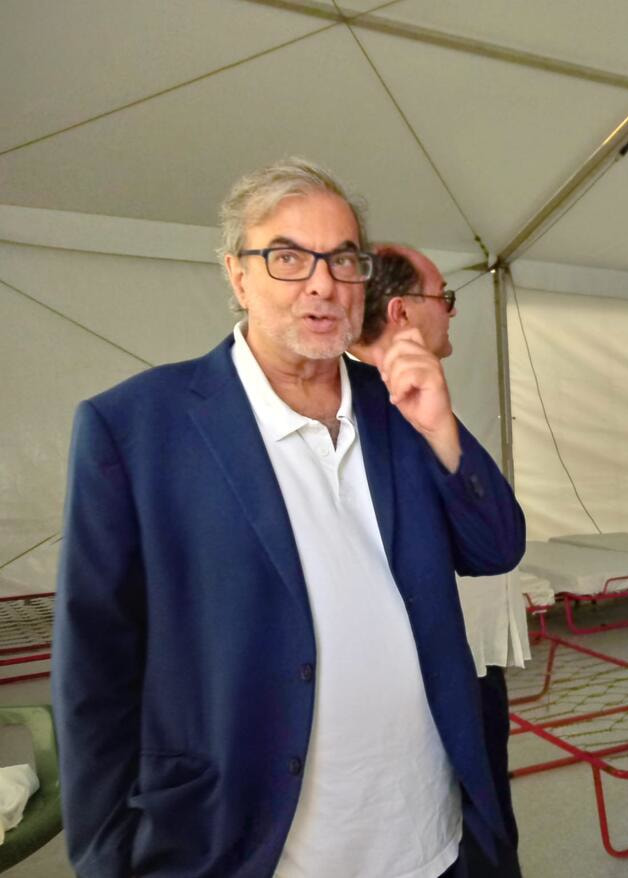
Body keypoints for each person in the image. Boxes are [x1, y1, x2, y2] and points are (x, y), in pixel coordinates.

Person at [52, 157, 525, 878]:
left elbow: (496, 548)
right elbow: (94, 667)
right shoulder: (137, 428)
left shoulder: (398, 405)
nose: (322, 283)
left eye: (343, 259)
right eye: (288, 257)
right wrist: (106, 854)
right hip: (252, 841)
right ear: (237, 275)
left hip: (424, 825)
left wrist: (442, 431)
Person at [351, 244, 523, 878]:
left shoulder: (421, 404)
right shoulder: (359, 410)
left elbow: (500, 541)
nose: (452, 310)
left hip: (467, 661)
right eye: (444, 297)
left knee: (481, 827)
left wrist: (444, 430)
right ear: (401, 312)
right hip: (415, 684)